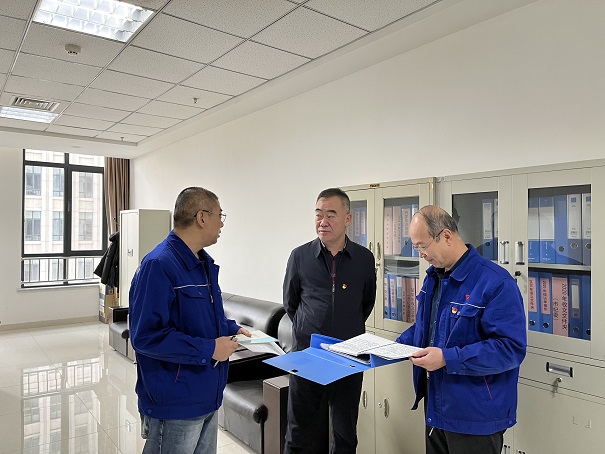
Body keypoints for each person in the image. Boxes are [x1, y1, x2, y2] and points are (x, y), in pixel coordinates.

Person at [129, 187, 250, 454]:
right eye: (220, 216)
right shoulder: (158, 265)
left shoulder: (202, 264)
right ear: (202, 217)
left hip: (207, 395)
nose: (221, 224)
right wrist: (210, 349)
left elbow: (202, 318)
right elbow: (146, 336)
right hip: (175, 403)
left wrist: (233, 329)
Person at [396, 205, 526, 454]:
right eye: (416, 248)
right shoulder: (434, 277)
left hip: (476, 416)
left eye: (423, 246)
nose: (421, 255)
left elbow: (509, 349)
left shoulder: (496, 282)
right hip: (437, 408)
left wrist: (447, 358)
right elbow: (426, 327)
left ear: (446, 236)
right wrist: (393, 347)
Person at [283, 188, 376, 454]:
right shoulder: (300, 256)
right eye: (318, 215)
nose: (322, 221)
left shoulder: (364, 259)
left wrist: (345, 327)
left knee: (345, 434)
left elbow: (366, 303)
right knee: (299, 433)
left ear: (348, 219)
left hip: (348, 357)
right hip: (307, 356)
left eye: (331, 215)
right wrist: (311, 328)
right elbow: (291, 303)